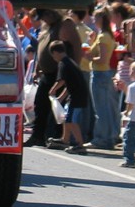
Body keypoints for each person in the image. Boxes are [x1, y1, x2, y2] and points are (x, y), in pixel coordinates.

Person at [25, 9, 82, 147]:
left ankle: (58, 137)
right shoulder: (46, 26)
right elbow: (42, 47)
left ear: (51, 13)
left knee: (58, 107)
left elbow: (77, 47)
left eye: (44, 16)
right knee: (40, 104)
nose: (43, 20)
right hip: (46, 72)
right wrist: (38, 67)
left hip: (60, 72)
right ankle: (37, 136)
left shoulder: (65, 24)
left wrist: (74, 69)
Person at [46, 40, 90, 154]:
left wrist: (52, 90)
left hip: (77, 97)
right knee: (66, 117)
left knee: (71, 120)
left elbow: (62, 81)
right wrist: (61, 97)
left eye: (53, 55)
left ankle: (80, 145)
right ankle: (64, 140)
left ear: (55, 53)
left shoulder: (63, 63)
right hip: (75, 94)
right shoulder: (69, 62)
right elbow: (69, 84)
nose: (53, 58)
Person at [86, 8, 119, 150]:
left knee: (100, 109)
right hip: (104, 73)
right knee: (106, 108)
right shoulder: (106, 35)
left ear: (101, 19)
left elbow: (102, 58)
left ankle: (102, 138)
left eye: (96, 18)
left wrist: (89, 56)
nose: (94, 20)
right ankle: (109, 136)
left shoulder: (103, 37)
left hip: (100, 73)